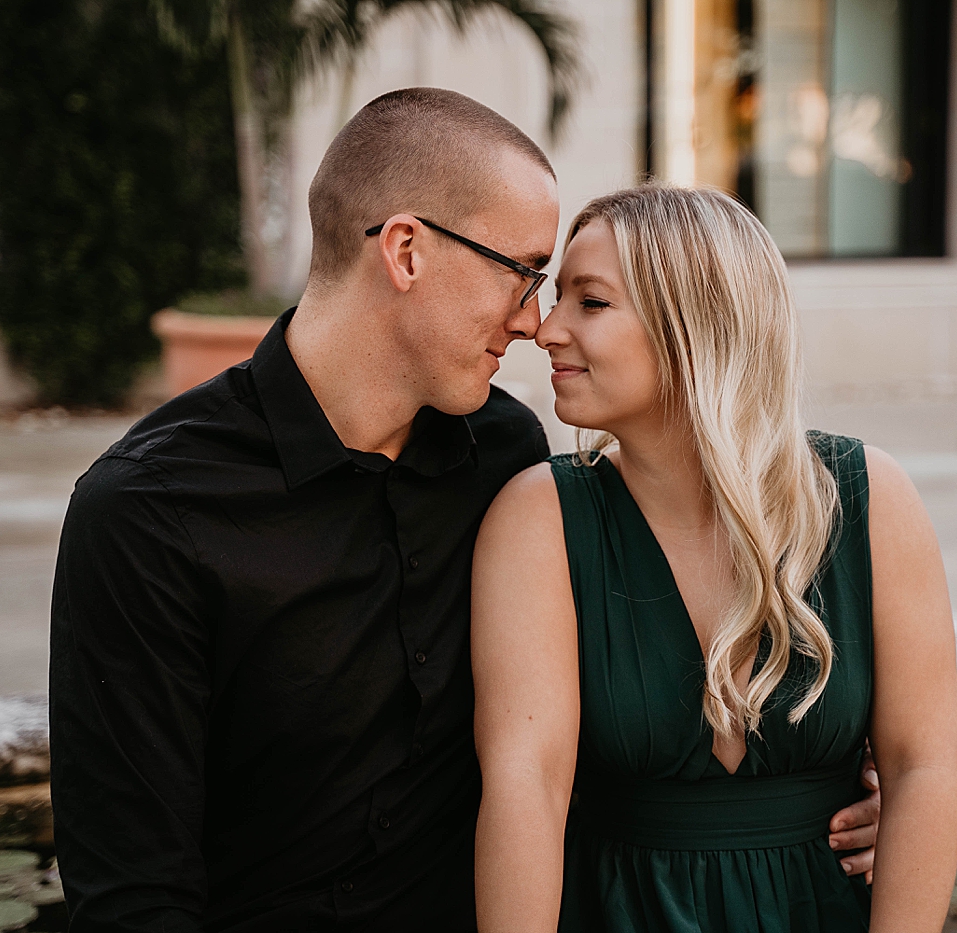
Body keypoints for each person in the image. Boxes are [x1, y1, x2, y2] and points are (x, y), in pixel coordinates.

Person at [49, 90, 882, 932]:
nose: (533, 322)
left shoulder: (506, 454)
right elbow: (132, 892)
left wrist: (836, 788)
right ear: (406, 250)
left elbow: (582, 724)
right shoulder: (147, 512)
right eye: (522, 273)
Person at [472, 185, 957, 933]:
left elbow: (923, 769)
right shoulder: (539, 517)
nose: (546, 330)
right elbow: (525, 786)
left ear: (693, 325)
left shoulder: (870, 499)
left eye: (590, 302)